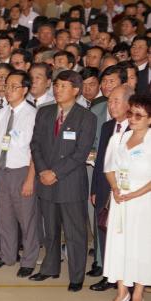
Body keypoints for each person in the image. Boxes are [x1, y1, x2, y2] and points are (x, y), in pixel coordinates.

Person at [29, 70, 97, 292]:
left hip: (69, 183)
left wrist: (55, 173)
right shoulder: (44, 112)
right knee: (50, 230)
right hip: (45, 180)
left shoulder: (87, 117)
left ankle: (76, 276)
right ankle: (50, 268)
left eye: (63, 86)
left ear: (76, 90)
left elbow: (80, 153)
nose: (57, 90)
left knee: (74, 233)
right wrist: (42, 171)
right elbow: (35, 144)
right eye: (56, 86)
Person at [0, 70, 39, 278]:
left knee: (27, 219)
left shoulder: (33, 115)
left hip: (22, 172)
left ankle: (28, 259)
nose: (8, 90)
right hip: (2, 171)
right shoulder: (0, 114)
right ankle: (7, 255)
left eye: (14, 87)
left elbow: (36, 150)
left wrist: (30, 179)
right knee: (4, 218)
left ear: (25, 90)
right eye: (7, 86)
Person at [103, 94, 151, 301]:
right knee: (118, 244)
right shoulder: (118, 138)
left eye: (138, 116)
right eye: (131, 113)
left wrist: (135, 194)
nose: (132, 118)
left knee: (141, 245)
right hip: (120, 199)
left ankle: (138, 293)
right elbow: (109, 168)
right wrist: (114, 188)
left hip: (143, 200)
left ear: (150, 119)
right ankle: (122, 291)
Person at [89, 84, 132, 292]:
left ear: (128, 104)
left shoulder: (139, 129)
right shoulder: (107, 127)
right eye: (110, 101)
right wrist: (95, 190)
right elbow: (100, 163)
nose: (111, 105)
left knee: (126, 237)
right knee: (105, 234)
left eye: (116, 101)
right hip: (105, 190)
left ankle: (128, 279)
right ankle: (109, 276)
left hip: (127, 192)